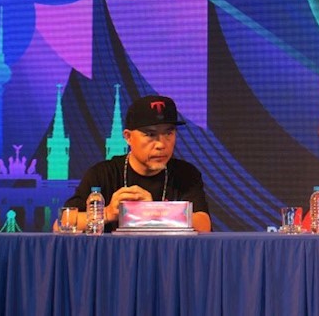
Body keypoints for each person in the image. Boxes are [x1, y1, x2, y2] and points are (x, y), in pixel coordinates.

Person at [55, 95, 212, 233]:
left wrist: (153, 211)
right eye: (150, 134)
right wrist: (108, 213)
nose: (161, 144)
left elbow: (203, 225)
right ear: (128, 137)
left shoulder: (185, 173)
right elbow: (61, 224)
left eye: (168, 133)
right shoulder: (103, 173)